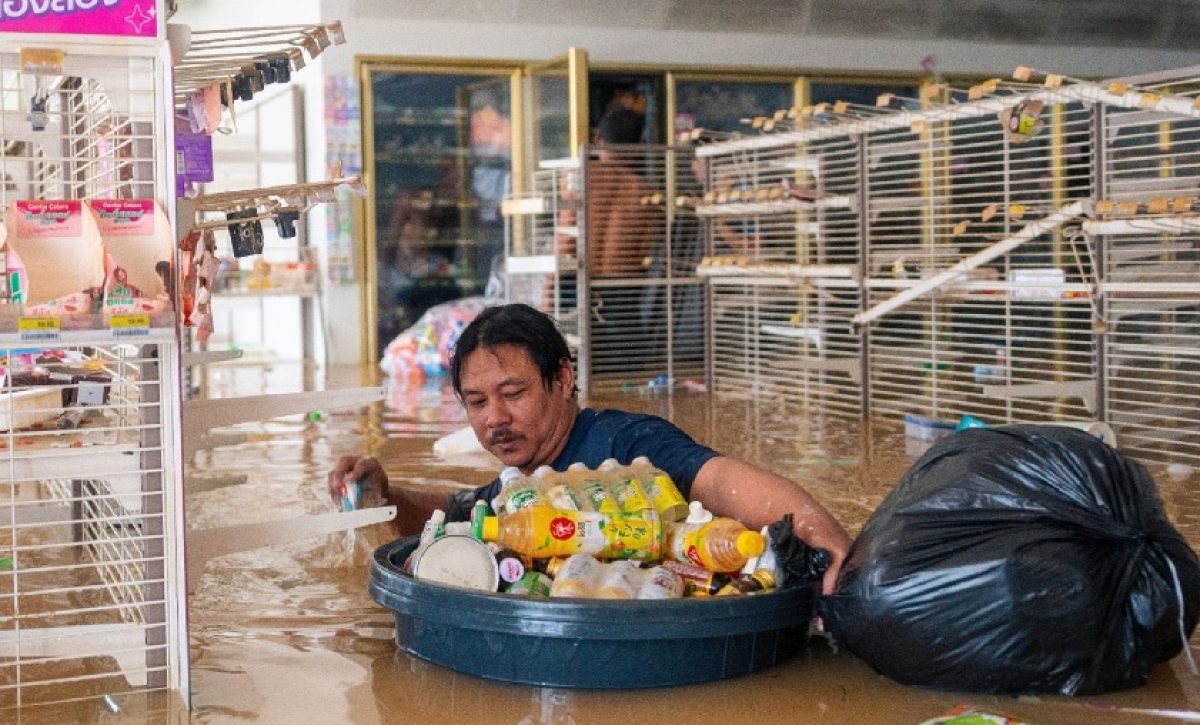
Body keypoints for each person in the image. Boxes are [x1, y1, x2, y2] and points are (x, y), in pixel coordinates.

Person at [328, 303, 851, 594]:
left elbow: (718, 479)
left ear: (563, 378)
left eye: (513, 394)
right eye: (476, 402)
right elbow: (461, 512)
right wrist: (386, 493)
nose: (495, 419)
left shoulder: (624, 444)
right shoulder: (524, 484)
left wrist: (820, 536)